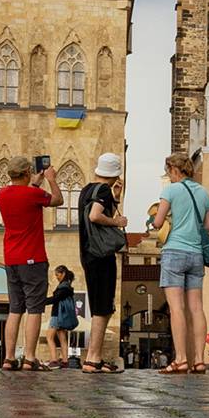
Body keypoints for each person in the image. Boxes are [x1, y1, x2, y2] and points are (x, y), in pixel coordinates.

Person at [147, 152, 209, 371]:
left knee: (177, 309)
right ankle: (200, 361)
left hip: (174, 251)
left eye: (169, 172)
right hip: (196, 255)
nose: (169, 175)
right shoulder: (203, 192)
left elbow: (157, 223)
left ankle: (182, 359)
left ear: (174, 170)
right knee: (196, 308)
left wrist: (164, 218)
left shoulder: (171, 190)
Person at [0, 156, 57, 371]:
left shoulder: (2, 194)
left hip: (11, 258)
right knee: (34, 309)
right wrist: (51, 179)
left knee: (14, 309)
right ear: (27, 173)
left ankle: (9, 357)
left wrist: (35, 184)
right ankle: (30, 357)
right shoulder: (34, 194)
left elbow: (25, 196)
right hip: (33, 258)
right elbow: (57, 200)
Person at [76, 151, 129, 372]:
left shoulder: (86, 190)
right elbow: (95, 216)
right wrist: (116, 221)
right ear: (115, 173)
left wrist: (115, 197)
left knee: (101, 305)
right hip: (101, 254)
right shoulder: (103, 190)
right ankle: (93, 358)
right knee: (102, 307)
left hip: (87, 253)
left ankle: (94, 357)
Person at [45, 265, 82, 363]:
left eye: (58, 275)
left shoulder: (63, 287)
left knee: (49, 337)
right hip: (61, 315)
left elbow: (55, 299)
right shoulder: (67, 287)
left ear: (63, 273)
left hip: (57, 314)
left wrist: (42, 301)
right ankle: (65, 360)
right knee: (62, 338)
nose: (57, 277)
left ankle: (54, 359)